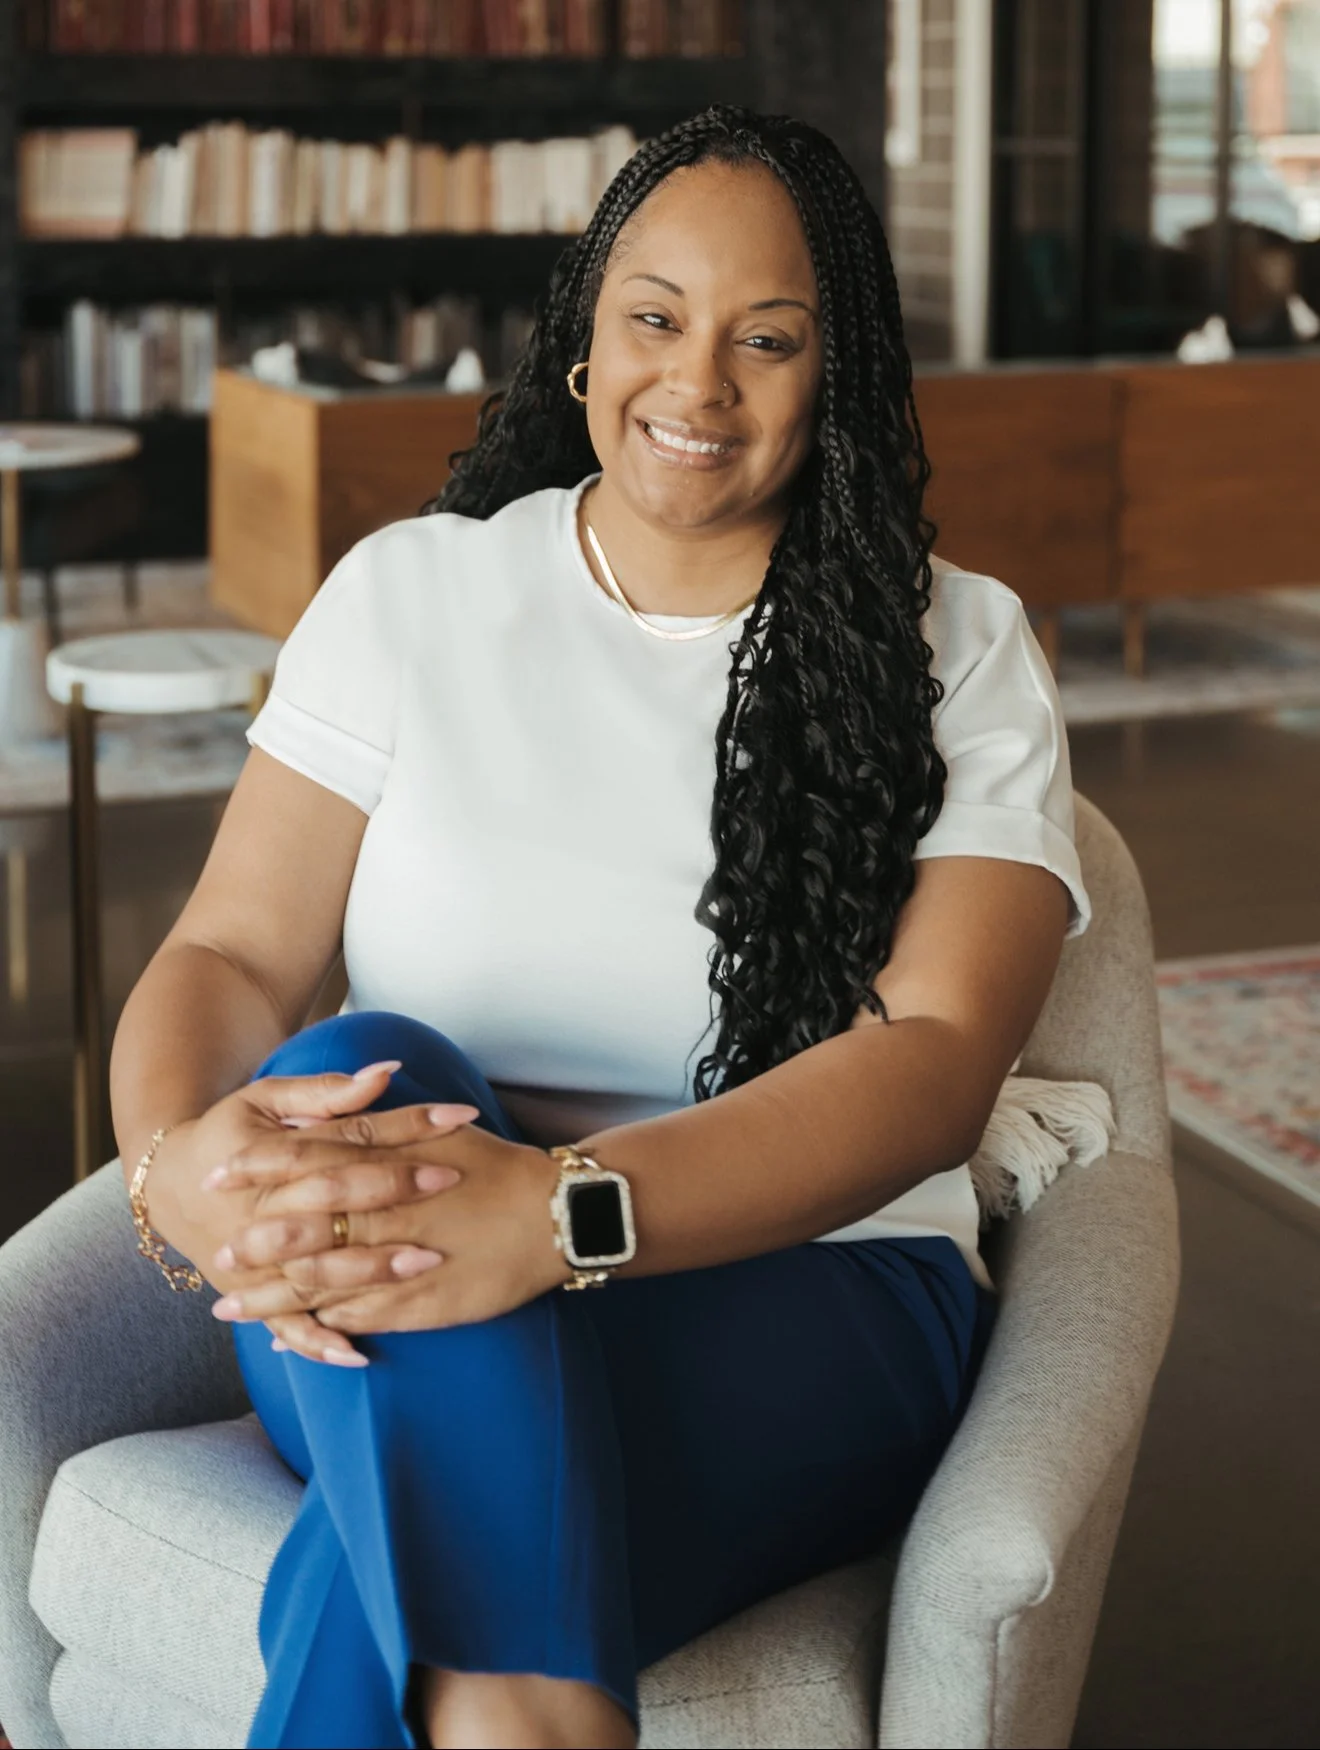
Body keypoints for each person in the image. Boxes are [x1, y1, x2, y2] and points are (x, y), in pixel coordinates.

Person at [109, 106, 1090, 1750]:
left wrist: (561, 1219)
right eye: (654, 319)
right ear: (582, 343)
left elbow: (932, 1066)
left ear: (831, 372)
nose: (695, 385)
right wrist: (175, 1170)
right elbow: (229, 955)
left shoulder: (963, 647)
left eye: (766, 340)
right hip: (384, 1243)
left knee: (410, 1549)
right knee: (360, 1060)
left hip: (816, 1288)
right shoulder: (411, 596)